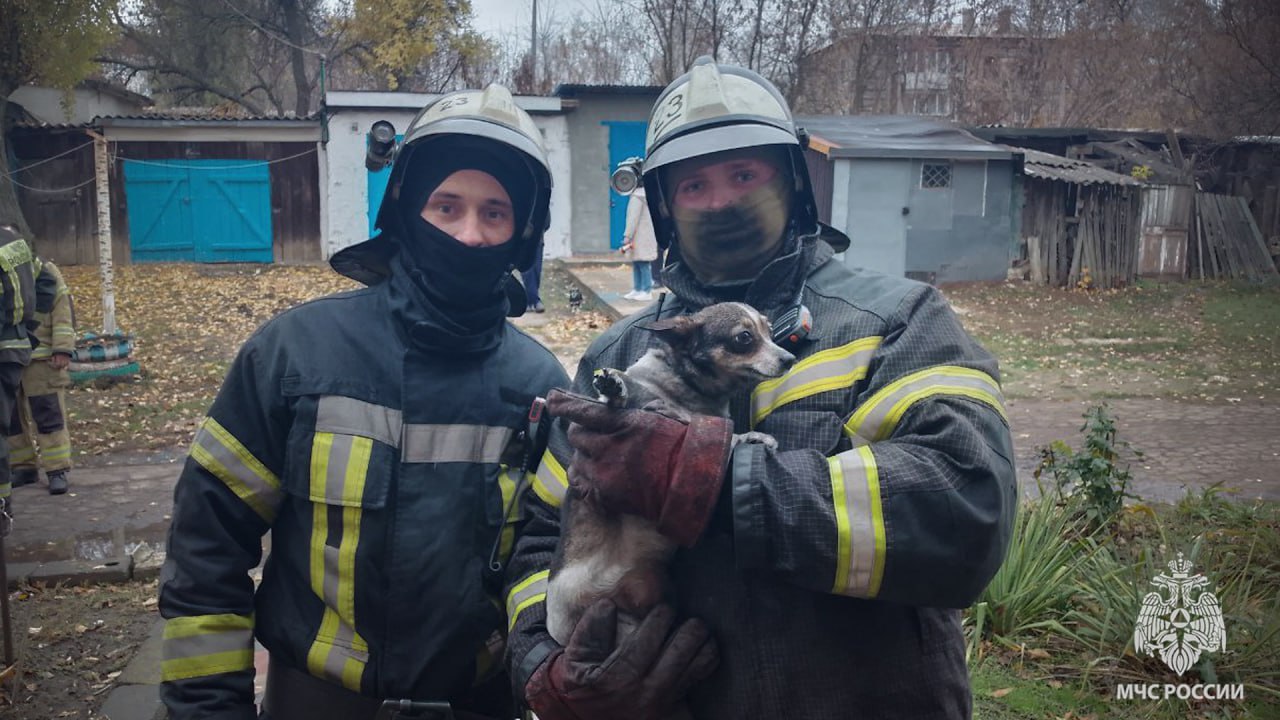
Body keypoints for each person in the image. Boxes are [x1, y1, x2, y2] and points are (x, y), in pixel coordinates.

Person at [508, 57, 1017, 719]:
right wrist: (543, 665)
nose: (721, 202)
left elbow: (966, 513)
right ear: (663, 207)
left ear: (791, 183)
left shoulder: (896, 321)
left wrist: (717, 482)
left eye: (744, 174)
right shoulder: (617, 356)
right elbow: (543, 534)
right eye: (693, 185)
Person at [158, 84, 571, 720]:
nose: (470, 234)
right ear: (406, 211)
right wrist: (206, 708)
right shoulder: (296, 354)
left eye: (495, 213)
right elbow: (206, 548)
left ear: (523, 231)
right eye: (447, 206)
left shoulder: (539, 381)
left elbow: (543, 559)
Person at [8, 256, 76, 495]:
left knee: (48, 414)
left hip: (43, 357)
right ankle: (22, 467)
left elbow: (62, 309)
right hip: (8, 356)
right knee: (11, 418)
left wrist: (62, 348)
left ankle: (56, 470)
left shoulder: (44, 270)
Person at [0, 225, 38, 537]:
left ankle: (2, 507)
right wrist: (28, 328)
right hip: (15, 348)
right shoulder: (13, 239)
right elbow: (47, 281)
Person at [620, 186, 658, 302]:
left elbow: (633, 218)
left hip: (639, 235)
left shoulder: (637, 197)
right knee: (638, 263)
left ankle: (646, 290)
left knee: (642, 264)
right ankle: (638, 289)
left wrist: (627, 235)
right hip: (644, 234)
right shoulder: (647, 195)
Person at [521, 239, 546, 312]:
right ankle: (536, 301)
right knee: (527, 272)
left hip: (538, 240)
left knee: (537, 271)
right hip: (523, 242)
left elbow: (546, 227)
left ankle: (528, 301)